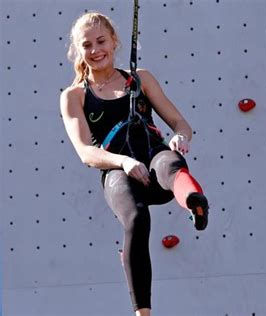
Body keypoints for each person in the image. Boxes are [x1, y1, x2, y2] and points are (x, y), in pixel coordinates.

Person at [60, 12, 209, 316]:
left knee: (171, 162)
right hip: (119, 173)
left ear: (114, 41)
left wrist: (180, 136)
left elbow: (180, 122)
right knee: (137, 220)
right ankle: (143, 312)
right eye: (87, 45)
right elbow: (85, 152)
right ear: (78, 51)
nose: (95, 50)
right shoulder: (74, 96)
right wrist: (124, 162)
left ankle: (194, 202)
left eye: (101, 41)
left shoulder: (139, 78)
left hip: (155, 162)